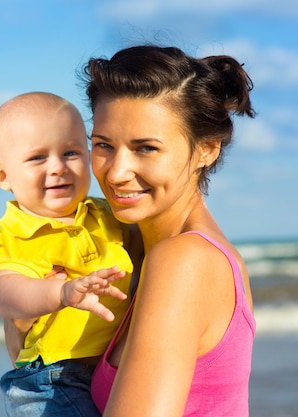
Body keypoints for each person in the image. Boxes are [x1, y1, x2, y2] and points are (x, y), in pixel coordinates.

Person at [78, 45, 257, 416]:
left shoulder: (183, 262)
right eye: (104, 145)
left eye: (145, 148)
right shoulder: (143, 254)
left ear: (207, 149)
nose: (115, 172)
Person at [0, 91, 140, 417]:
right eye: (37, 158)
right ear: (3, 176)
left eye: (70, 153)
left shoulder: (104, 215)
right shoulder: (13, 233)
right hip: (50, 379)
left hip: (105, 364)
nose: (57, 168)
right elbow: (3, 292)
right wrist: (61, 291)